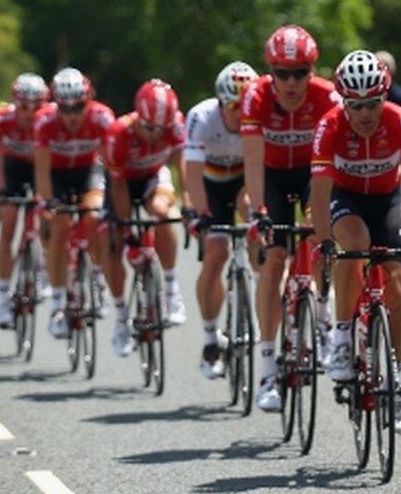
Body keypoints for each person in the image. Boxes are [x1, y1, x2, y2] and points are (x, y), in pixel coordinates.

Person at [311, 49, 401, 434]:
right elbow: (320, 194)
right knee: (354, 242)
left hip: (389, 199)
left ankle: (396, 380)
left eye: (373, 103)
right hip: (346, 199)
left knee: (396, 279)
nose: (365, 114)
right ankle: (342, 337)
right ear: (344, 102)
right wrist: (324, 241)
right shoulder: (329, 126)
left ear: (384, 97)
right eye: (355, 105)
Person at [240, 25, 339, 412]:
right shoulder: (256, 96)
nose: (292, 82)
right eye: (282, 73)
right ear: (271, 72)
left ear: (312, 71)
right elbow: (251, 161)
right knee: (275, 258)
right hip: (273, 178)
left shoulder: (327, 96)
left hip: (315, 173)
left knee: (320, 231)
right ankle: (267, 367)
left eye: (301, 72)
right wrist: (257, 211)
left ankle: (323, 312)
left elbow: (331, 162)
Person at [183, 61, 259, 379]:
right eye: (233, 108)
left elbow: (262, 174)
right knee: (215, 254)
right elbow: (192, 176)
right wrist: (200, 216)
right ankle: (211, 336)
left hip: (243, 182)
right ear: (220, 103)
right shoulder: (201, 118)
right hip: (211, 187)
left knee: (257, 227)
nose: (240, 115)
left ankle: (258, 297)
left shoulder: (260, 119)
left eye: (246, 108)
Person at [102, 79, 188, 357]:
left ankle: (172, 290)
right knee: (111, 244)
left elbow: (180, 165)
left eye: (160, 129)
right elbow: (117, 187)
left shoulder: (174, 125)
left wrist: (187, 203)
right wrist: (127, 233)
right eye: (149, 128)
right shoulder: (118, 133)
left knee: (162, 214)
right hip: (123, 182)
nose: (154, 135)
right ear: (138, 117)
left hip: (153, 176)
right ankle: (120, 318)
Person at [34, 68, 114, 339]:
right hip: (56, 175)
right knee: (59, 229)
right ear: (56, 104)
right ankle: (57, 305)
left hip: (89, 171)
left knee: (93, 216)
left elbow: (111, 165)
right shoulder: (44, 121)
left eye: (78, 107)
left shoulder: (102, 117)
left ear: (88, 100)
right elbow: (42, 171)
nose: (71, 115)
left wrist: (110, 202)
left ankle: (99, 277)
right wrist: (47, 204)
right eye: (64, 108)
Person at [0, 74, 52, 327]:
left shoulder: (49, 119)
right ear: (15, 102)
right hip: (12, 167)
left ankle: (46, 268)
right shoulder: (2, 118)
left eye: (36, 105)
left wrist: (46, 196)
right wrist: (1, 190)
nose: (29, 112)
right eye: (24, 106)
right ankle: (3, 296)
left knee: (48, 214)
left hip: (41, 167)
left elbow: (51, 163)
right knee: (8, 223)